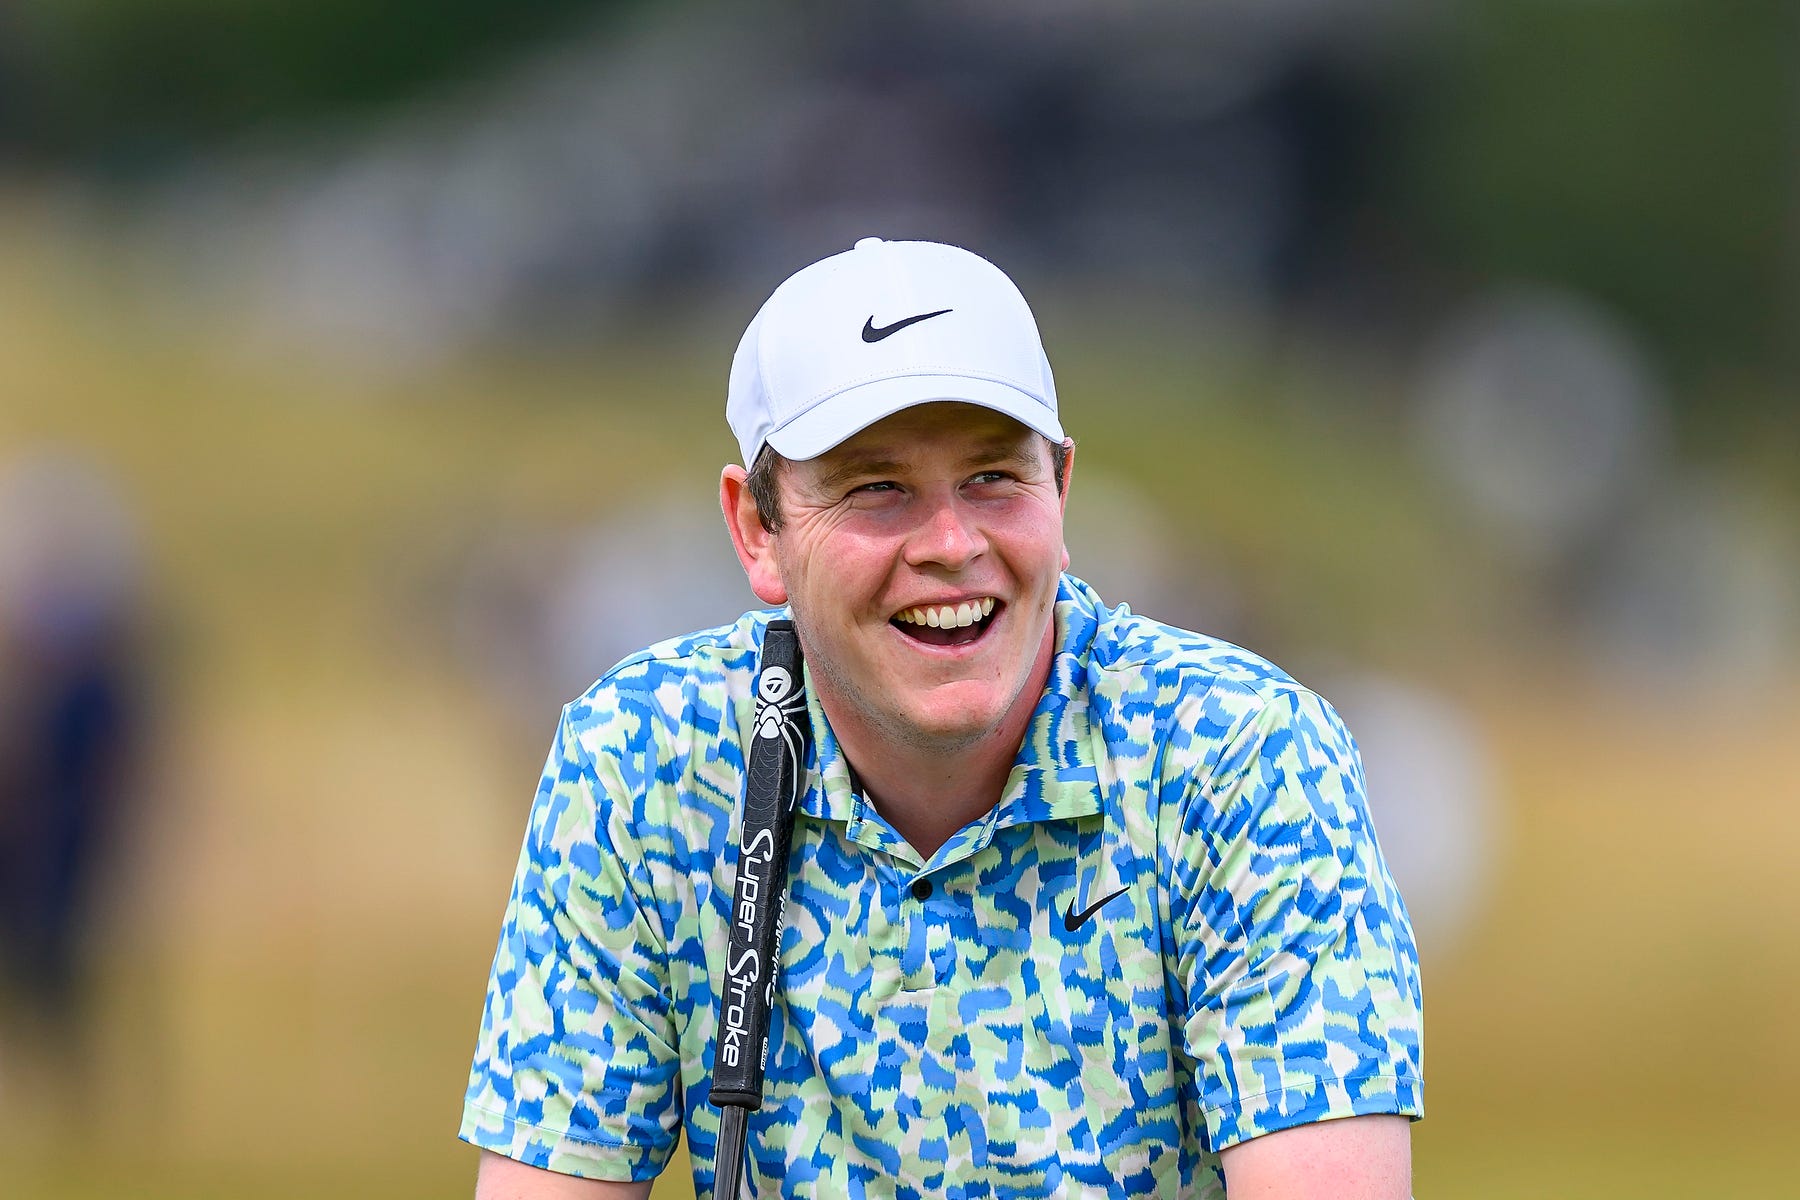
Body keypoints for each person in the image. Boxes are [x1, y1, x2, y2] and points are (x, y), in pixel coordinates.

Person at [460, 238, 1423, 1198]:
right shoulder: (643, 762)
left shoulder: (1241, 759)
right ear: (759, 532)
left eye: (995, 477)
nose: (953, 544)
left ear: (1062, 491)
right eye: (877, 487)